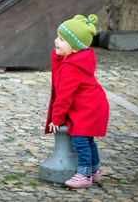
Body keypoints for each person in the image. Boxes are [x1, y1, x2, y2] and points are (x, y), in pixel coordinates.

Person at [44, 14, 109, 189]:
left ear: (74, 47)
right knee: (88, 140)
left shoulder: (71, 67)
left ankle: (84, 174)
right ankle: (95, 171)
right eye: (58, 37)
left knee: (80, 141)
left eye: (62, 40)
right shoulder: (76, 59)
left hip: (88, 108)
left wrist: (57, 119)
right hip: (93, 104)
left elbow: (64, 96)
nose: (56, 41)